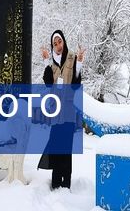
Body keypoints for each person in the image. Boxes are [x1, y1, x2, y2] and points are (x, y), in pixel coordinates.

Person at [37, 29, 84, 190]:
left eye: (59, 42)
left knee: (66, 148)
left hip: (69, 111)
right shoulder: (52, 64)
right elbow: (49, 83)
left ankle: (66, 183)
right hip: (56, 112)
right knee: (56, 147)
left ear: (64, 41)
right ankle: (56, 182)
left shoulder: (72, 58)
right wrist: (45, 61)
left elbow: (76, 85)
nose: (58, 46)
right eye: (55, 44)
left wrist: (80, 64)